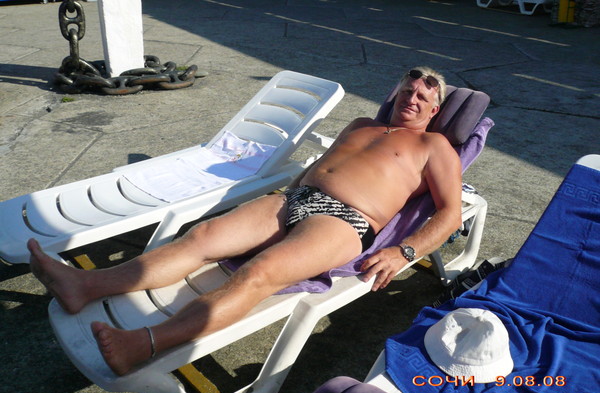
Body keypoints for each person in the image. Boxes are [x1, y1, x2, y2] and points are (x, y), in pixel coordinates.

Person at [28, 66, 462, 376]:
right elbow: (322, 167)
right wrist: (286, 194)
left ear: (435, 109)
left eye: (422, 97)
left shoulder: (434, 146)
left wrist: (404, 251)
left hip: (344, 220)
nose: (411, 99)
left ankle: (144, 344)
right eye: (407, 90)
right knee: (201, 236)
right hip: (294, 198)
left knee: (260, 273)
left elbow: (449, 212)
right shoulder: (361, 123)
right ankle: (86, 285)